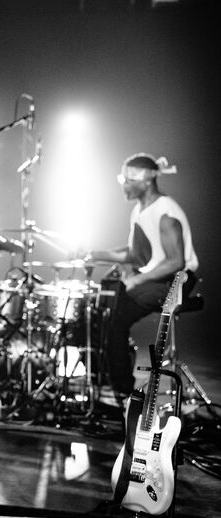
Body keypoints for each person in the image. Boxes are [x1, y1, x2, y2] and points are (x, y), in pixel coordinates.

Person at [88, 153, 198, 397]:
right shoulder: (141, 210)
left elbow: (176, 261)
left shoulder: (165, 213)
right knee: (106, 312)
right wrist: (93, 254)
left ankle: (123, 392)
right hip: (159, 276)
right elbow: (133, 254)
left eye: (128, 180)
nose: (123, 185)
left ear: (146, 182)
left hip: (176, 280)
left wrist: (136, 279)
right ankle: (108, 380)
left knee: (115, 320)